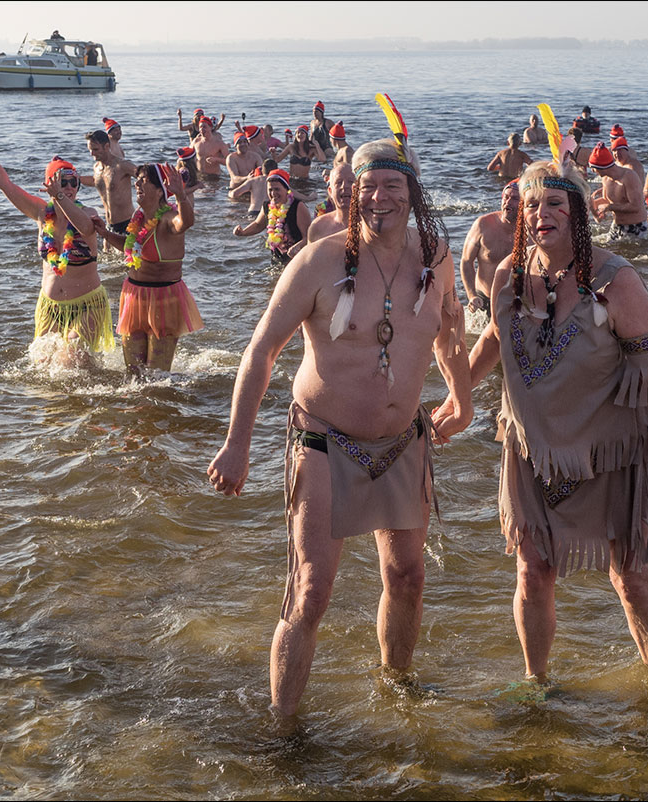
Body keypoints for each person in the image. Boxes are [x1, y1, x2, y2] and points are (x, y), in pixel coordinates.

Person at [207, 135, 472, 719]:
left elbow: (448, 332)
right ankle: (283, 732)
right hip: (323, 440)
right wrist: (236, 443)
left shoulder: (435, 258)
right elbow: (261, 351)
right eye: (367, 186)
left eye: (392, 185)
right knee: (310, 592)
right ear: (351, 192)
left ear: (413, 191)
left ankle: (397, 693)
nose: (378, 197)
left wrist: (463, 396)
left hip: (403, 441)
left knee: (407, 576)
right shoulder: (321, 261)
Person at [434, 159, 648, 685]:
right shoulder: (509, 274)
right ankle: (537, 683)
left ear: (579, 210)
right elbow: (492, 339)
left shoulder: (617, 281)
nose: (541, 213)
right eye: (531, 204)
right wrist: (453, 398)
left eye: (555, 202)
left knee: (632, 577)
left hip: (613, 452)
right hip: (532, 449)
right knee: (533, 571)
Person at [0, 125, 113, 356]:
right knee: (43, 364)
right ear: (50, 182)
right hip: (50, 306)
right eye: (63, 181)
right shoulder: (41, 213)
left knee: (73, 358)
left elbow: (86, 228)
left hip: (86, 305)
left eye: (73, 182)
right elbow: (6, 186)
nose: (69, 187)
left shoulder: (88, 213)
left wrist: (60, 196)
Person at [97, 163, 200, 374]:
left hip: (164, 298)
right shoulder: (139, 217)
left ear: (159, 189)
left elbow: (186, 222)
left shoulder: (169, 218)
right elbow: (131, 245)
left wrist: (181, 195)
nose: (137, 183)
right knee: (133, 372)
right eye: (137, 180)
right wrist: (105, 233)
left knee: (156, 374)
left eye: (143, 180)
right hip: (134, 296)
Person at [459, 180, 519, 317]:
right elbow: (466, 261)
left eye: (515, 198)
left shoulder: (532, 231)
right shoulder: (483, 225)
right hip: (483, 299)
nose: (508, 202)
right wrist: (472, 295)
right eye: (506, 197)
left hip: (515, 302)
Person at [233, 169, 312, 267]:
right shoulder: (267, 206)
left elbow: (309, 236)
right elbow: (258, 225)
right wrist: (243, 232)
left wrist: (298, 246)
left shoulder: (298, 206)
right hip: (277, 259)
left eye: (277, 189)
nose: (273, 193)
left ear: (287, 189)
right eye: (270, 189)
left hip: (297, 260)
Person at [79, 129, 136, 236]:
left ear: (106, 146)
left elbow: (146, 177)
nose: (92, 153)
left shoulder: (122, 165)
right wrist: (76, 178)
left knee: (131, 252)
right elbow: (96, 181)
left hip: (128, 223)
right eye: (90, 150)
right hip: (109, 225)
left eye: (95, 149)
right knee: (108, 253)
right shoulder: (96, 168)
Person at [589, 143, 647, 241]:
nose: (592, 171)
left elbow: (636, 206)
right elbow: (607, 200)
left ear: (602, 167)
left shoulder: (629, 176)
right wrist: (592, 204)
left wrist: (609, 207)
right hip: (616, 226)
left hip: (636, 226)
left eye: (593, 167)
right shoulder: (605, 179)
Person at [306, 160, 354, 242]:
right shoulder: (317, 227)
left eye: (351, 182)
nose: (345, 186)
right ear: (330, 191)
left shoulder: (371, 225)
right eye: (339, 182)